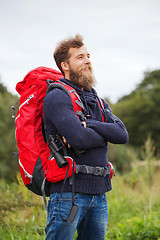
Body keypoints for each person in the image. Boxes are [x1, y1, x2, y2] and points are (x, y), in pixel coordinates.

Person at [43, 34, 128, 240]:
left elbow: (122, 134)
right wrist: (105, 134)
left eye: (88, 56)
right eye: (80, 57)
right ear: (65, 65)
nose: (88, 60)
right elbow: (79, 138)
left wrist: (89, 124)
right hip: (68, 195)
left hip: (99, 195)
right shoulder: (57, 96)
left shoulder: (97, 100)